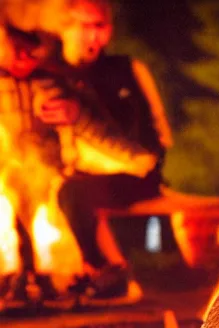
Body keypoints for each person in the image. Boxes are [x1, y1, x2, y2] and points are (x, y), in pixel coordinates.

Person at [0, 22, 156, 303]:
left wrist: (135, 158)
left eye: (29, 51)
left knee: (56, 196)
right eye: (16, 50)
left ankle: (63, 278)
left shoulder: (52, 84)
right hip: (11, 176)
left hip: (48, 177)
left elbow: (95, 131)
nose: (24, 58)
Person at [55, 0, 174, 301]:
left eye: (100, 26)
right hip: (81, 176)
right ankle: (85, 274)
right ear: (65, 28)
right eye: (85, 26)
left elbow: (159, 131)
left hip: (135, 173)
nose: (94, 36)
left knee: (73, 193)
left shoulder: (127, 70)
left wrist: (150, 159)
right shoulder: (57, 76)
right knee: (63, 189)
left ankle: (105, 271)